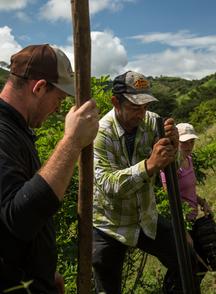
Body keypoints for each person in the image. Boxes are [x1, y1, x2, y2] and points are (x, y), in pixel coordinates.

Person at [0, 44, 99, 293]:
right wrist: (72, 142)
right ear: (39, 87)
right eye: (59, 99)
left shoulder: (17, 130)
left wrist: (43, 271)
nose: (59, 108)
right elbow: (19, 219)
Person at [92, 71, 198, 293]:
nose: (141, 114)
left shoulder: (153, 122)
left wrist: (174, 146)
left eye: (145, 107)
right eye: (134, 108)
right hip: (110, 224)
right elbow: (109, 185)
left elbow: (174, 166)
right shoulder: (101, 133)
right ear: (115, 102)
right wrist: (149, 165)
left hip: (145, 217)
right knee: (107, 287)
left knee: (186, 261)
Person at [160, 122, 211, 221]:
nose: (189, 146)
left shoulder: (189, 159)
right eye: (184, 142)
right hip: (182, 221)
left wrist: (202, 202)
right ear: (175, 142)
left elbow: (188, 193)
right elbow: (169, 198)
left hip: (193, 218)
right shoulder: (170, 166)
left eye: (192, 141)